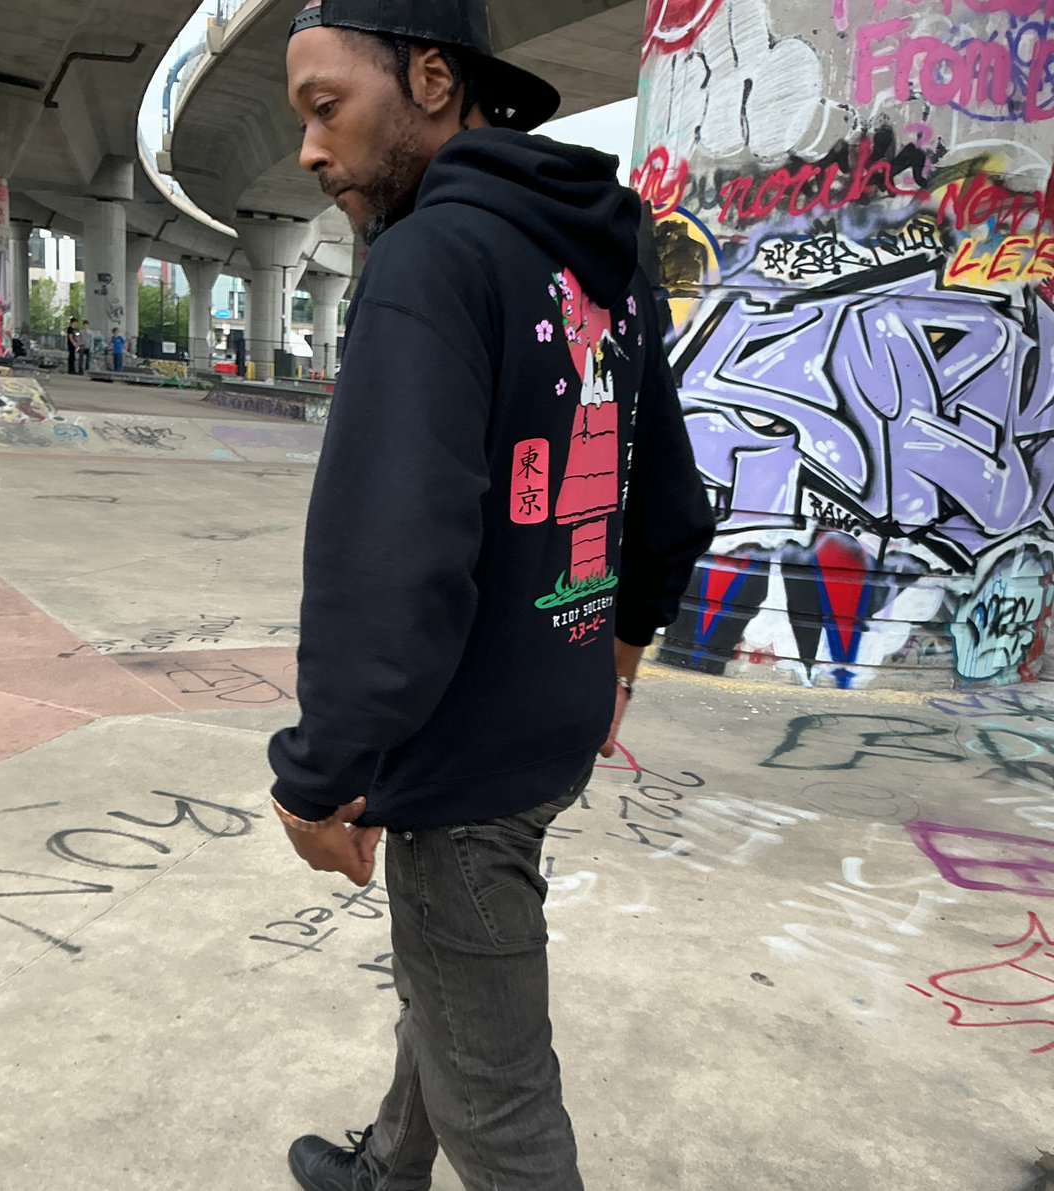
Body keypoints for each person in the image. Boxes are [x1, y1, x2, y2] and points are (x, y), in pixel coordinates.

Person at [269, 3, 715, 1189]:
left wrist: (318, 775)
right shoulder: (604, 254)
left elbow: (389, 559)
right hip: (558, 712)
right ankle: (387, 1167)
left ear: (430, 79)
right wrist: (615, 660)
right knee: (455, 977)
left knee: (502, 1104)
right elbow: (669, 501)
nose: (310, 150)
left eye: (327, 108)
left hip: (464, 752)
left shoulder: (431, 259)